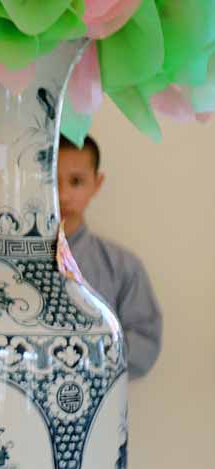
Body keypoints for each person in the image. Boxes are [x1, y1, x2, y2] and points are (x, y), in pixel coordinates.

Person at [58, 135, 163, 379]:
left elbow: (145, 342)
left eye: (76, 181)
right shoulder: (13, 261)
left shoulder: (123, 267)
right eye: (51, 181)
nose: (63, 195)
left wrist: (88, 356)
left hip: (99, 396)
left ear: (97, 183)